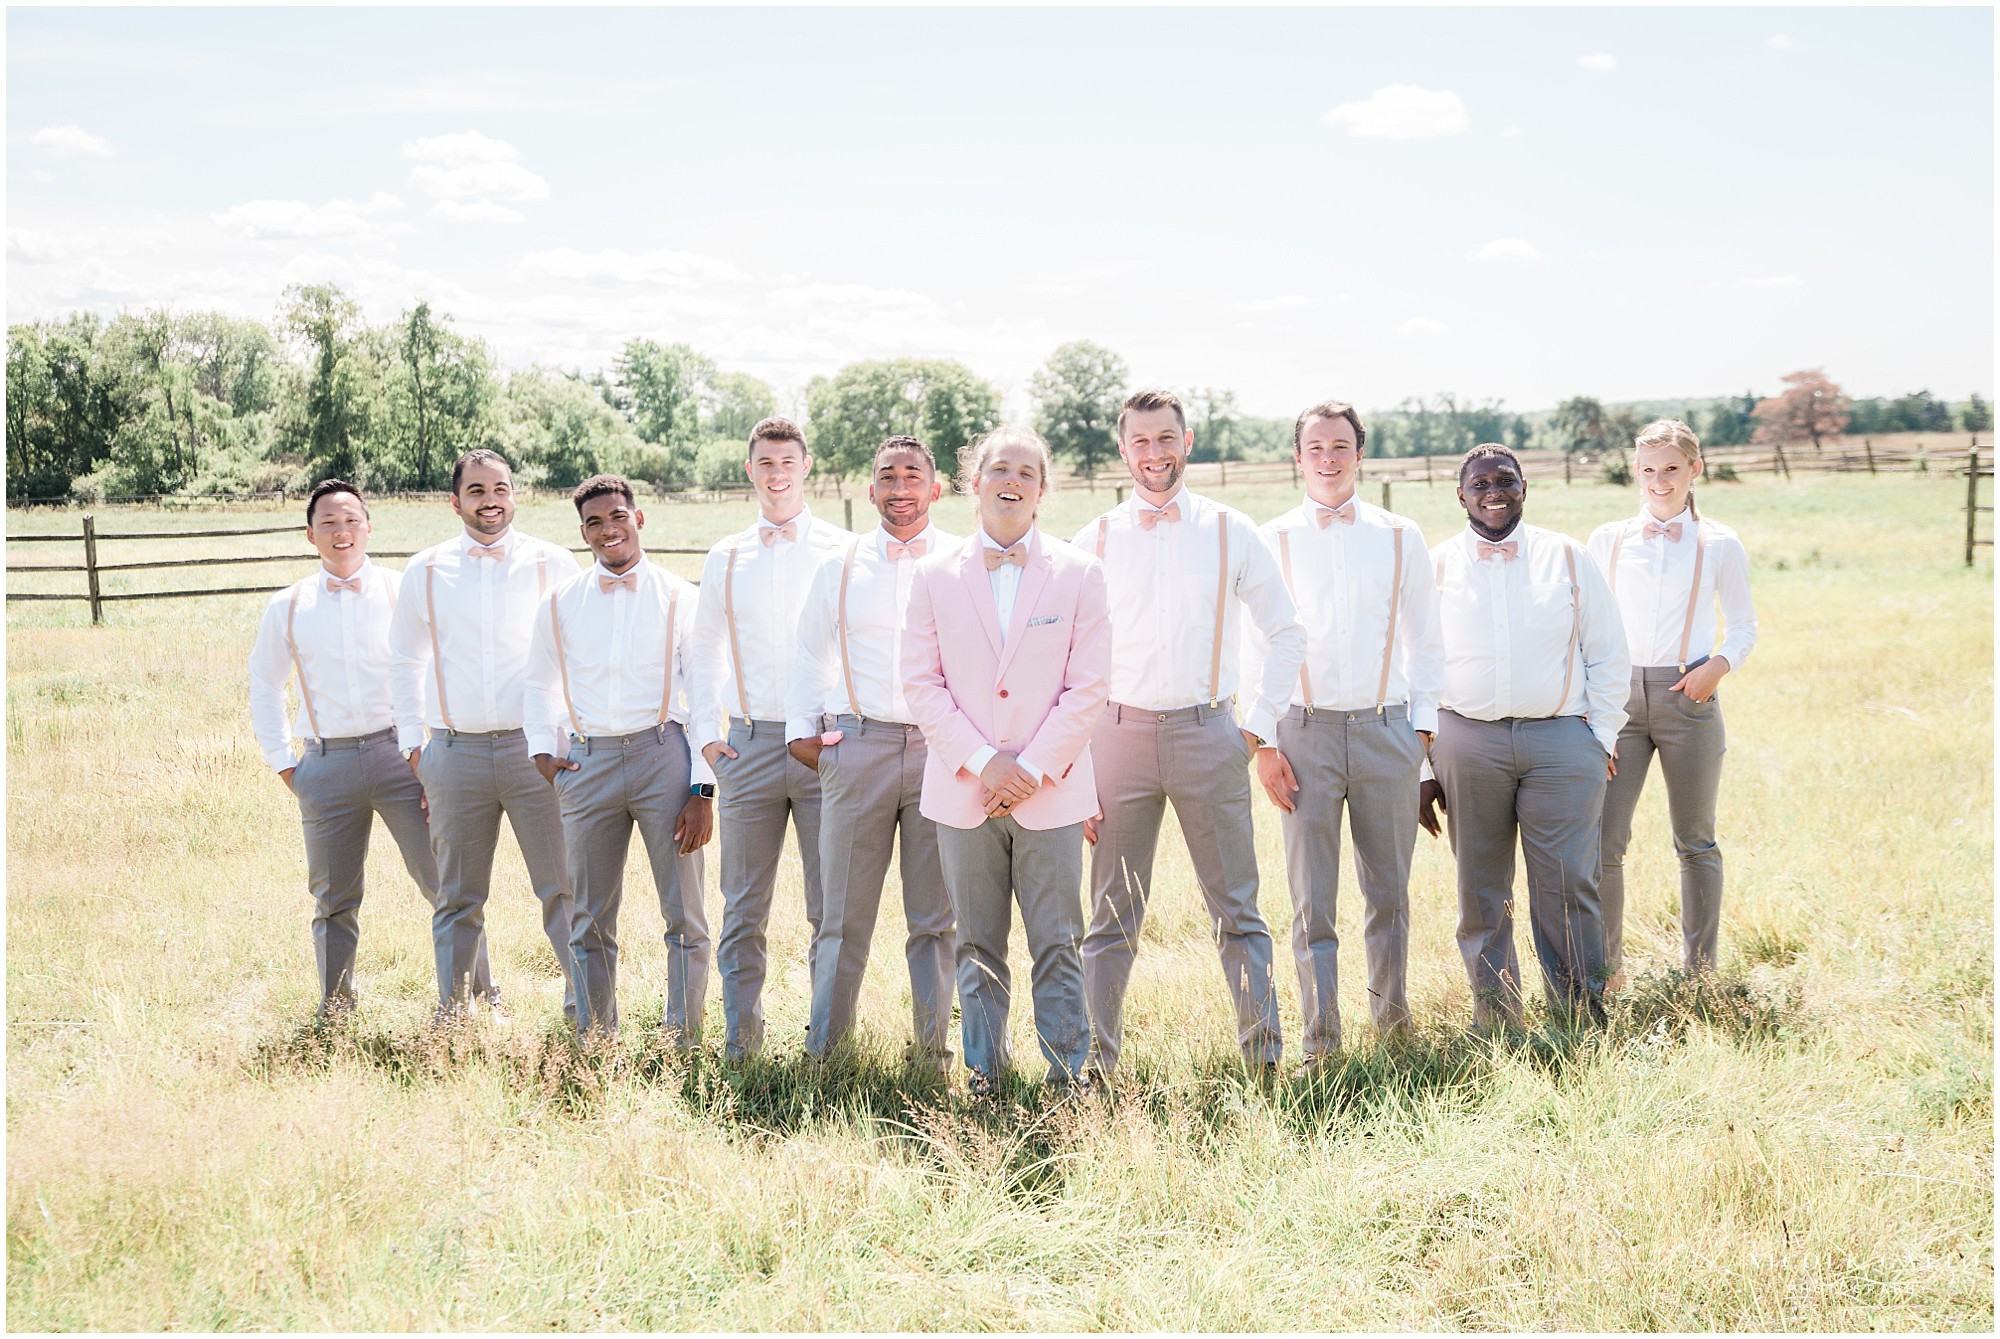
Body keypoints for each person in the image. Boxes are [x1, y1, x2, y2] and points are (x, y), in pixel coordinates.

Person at [1075, 388, 1306, 1077]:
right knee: (1110, 916)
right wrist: (1078, 767)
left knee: (1236, 908)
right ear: (1123, 449)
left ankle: (1264, 1060)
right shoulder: (1093, 540)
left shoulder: (1233, 529)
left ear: (1188, 439)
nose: (1154, 453)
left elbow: (1286, 632)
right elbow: (1070, 660)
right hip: (1116, 738)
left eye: (1165, 438)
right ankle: (1096, 1067)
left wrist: (1253, 731)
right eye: (1140, 441)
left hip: (1211, 733)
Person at [904, 425, 1111, 1094]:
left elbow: (1090, 686)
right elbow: (920, 682)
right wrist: (983, 762)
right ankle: (985, 1073)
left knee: (1057, 940)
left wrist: (1031, 769)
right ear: (975, 480)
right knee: (975, 944)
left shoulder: (1080, 573)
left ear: (1043, 489)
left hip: (1051, 791)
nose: (1011, 479)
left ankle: (1066, 1072)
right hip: (965, 792)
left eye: (1026, 470)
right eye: (999, 467)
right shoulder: (932, 576)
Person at [249, 479, 492, 1014]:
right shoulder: (287, 606)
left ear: (369, 526)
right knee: (333, 898)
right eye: (330, 523)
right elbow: (264, 685)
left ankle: (480, 993)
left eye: (352, 520)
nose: (342, 532)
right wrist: (286, 766)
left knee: (446, 883)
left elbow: (436, 667)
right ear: (310, 533)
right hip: (324, 762)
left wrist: (432, 758)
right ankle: (336, 1006)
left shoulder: (402, 588)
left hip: (401, 756)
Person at [1246, 401, 1444, 1059]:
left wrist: (1419, 734)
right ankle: (1320, 1041)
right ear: (1297, 458)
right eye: (1315, 447)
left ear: (1360, 453)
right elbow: (1250, 647)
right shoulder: (1268, 539)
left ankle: (1393, 1030)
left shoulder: (1399, 535)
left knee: (1388, 895)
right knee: (1312, 900)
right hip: (1302, 735)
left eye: (1340, 446)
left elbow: (1426, 638)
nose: (1328, 459)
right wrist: (1265, 744)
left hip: (1387, 731)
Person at [1419, 444, 1630, 1028]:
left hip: (1562, 742)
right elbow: (1417, 669)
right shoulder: (1434, 566)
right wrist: (1423, 767)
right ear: (1460, 494)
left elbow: (1609, 651)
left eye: (1505, 480)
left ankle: (1580, 1017)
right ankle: (1499, 1019)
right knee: (1481, 890)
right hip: (1466, 741)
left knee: (1568, 884)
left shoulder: (1568, 556)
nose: (1494, 491)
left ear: (1524, 487)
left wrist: (1601, 737)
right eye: (1480, 482)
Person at [785, 437, 960, 1070]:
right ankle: (826, 1054)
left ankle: (933, 1056)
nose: (900, 487)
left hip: (941, 751)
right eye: (887, 476)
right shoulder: (841, 564)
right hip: (857, 747)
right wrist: (805, 738)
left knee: (935, 920)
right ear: (871, 490)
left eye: (913, 475)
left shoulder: (965, 562)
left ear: (935, 489)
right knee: (841, 917)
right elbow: (809, 652)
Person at [390, 448, 583, 1021]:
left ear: (513, 495)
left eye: (499, 489)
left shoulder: (554, 563)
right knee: (457, 898)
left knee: (563, 892)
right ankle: (454, 1017)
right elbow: (403, 658)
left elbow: (579, 651)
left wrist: (567, 735)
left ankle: (587, 1013)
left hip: (537, 755)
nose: (490, 501)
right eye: (476, 491)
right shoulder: (425, 571)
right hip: (455, 752)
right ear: (455, 502)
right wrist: (413, 744)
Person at [525, 475, 715, 1038]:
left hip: (665, 758)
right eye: (594, 523)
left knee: (684, 913)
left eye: (616, 517)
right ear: (582, 533)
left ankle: (682, 1040)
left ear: (639, 518)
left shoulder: (683, 597)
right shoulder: (560, 602)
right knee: (588, 916)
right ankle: (594, 1039)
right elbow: (537, 682)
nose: (608, 530)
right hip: (588, 766)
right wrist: (543, 748)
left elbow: (706, 697)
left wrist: (703, 789)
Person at [688, 417, 847, 1059]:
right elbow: (703, 650)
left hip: (822, 746)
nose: (777, 472)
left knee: (827, 908)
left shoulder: (843, 548)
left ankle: (826, 1049)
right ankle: (741, 1045)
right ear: (749, 469)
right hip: (747, 747)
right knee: (742, 909)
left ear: (806, 466)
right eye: (764, 462)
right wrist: (706, 736)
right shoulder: (725, 555)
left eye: (788, 460)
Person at [1588, 419, 1757, 984]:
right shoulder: (1607, 540)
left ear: (1694, 470)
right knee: (1604, 840)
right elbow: (1586, 628)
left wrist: (1717, 667)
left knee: (1696, 839)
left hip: (1690, 696)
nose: (1659, 481)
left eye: (1671, 469)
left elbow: (1744, 627)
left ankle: (1700, 970)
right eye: (1648, 469)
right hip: (1618, 703)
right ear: (1636, 471)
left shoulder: (1720, 543)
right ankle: (1606, 970)